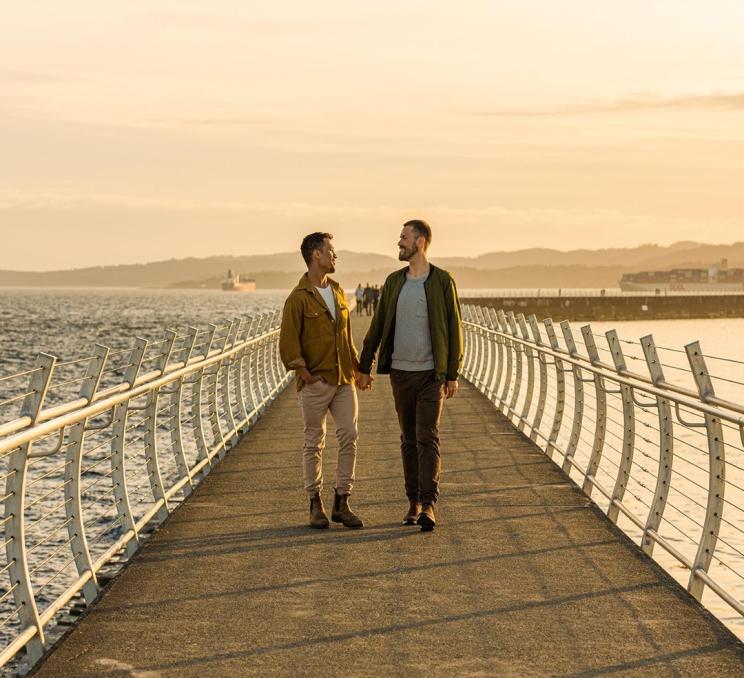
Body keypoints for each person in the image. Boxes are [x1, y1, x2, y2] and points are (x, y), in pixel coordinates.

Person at [357, 220, 462, 532]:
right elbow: (377, 327)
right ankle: (413, 502)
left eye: (404, 238)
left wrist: (452, 373)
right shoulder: (393, 283)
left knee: (427, 436)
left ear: (420, 242)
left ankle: (429, 504)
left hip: (432, 375)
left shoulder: (442, 280)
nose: (399, 243)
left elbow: (454, 327)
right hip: (401, 374)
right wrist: (365, 365)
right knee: (408, 439)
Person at [279, 232, 364, 530]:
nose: (334, 255)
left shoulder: (339, 292)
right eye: (330, 250)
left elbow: (347, 336)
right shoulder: (298, 298)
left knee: (350, 435)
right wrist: (305, 374)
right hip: (316, 382)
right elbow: (288, 344)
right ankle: (315, 504)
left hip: (343, 380)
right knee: (314, 442)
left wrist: (358, 368)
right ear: (316, 255)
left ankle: (342, 501)